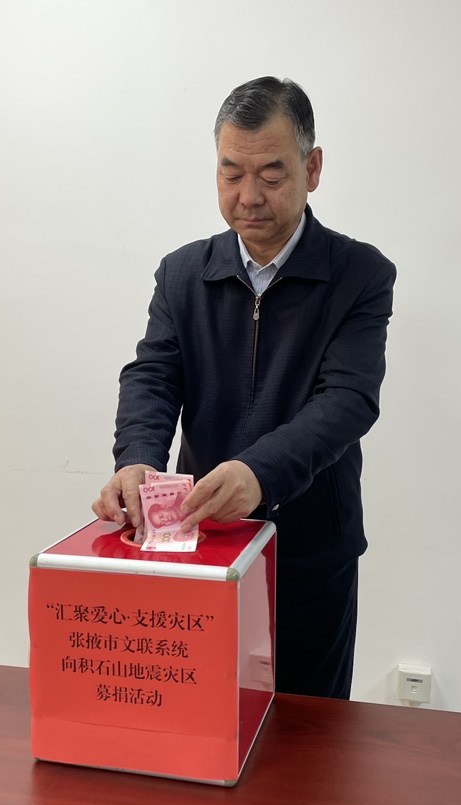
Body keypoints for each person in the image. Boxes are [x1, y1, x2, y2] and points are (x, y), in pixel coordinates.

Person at [91, 76, 395, 699]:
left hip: (310, 550)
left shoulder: (360, 275)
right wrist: (138, 459)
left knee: (310, 730)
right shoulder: (183, 272)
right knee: (198, 713)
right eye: (231, 173)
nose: (248, 196)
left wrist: (260, 472)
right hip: (201, 543)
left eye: (272, 176)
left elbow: (348, 400)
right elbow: (153, 374)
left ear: (312, 169)